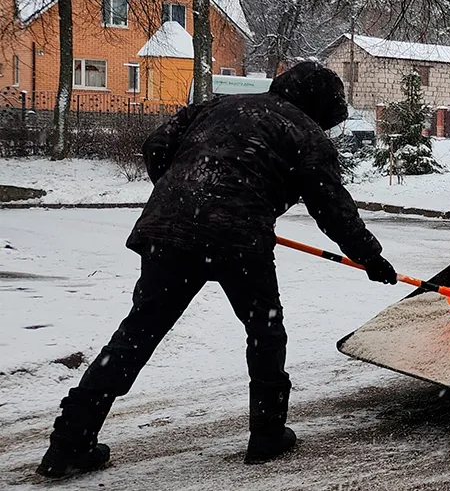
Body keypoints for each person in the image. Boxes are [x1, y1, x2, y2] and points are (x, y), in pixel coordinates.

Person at [36, 62, 397, 478]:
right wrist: (370, 259)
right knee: (264, 330)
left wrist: (189, 195)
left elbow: (157, 144)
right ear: (320, 109)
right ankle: (266, 434)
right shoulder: (306, 135)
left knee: (136, 335)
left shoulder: (217, 107)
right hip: (238, 239)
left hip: (169, 231)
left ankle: (68, 443)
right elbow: (334, 210)